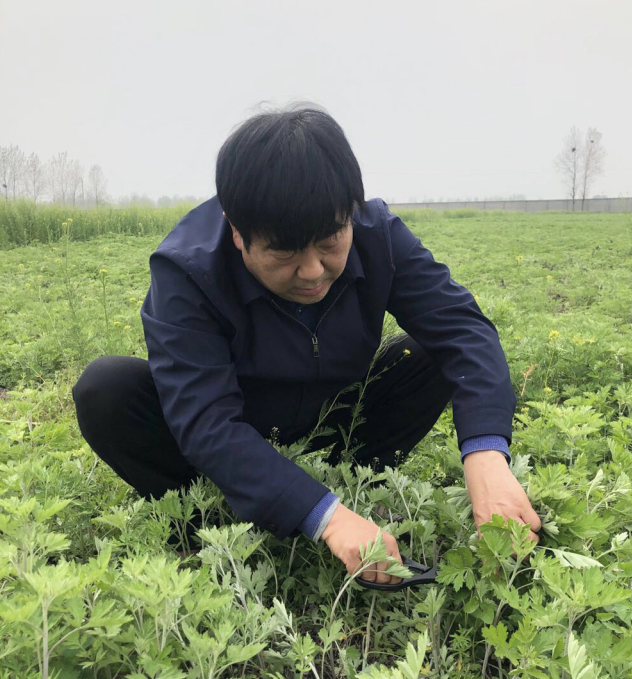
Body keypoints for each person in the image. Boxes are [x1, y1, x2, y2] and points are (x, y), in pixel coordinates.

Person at [71, 105, 541, 587]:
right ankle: (216, 519)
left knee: (428, 356)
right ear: (237, 230)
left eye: (329, 241)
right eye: (284, 252)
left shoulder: (377, 234)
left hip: (337, 422)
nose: (313, 271)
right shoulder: (187, 270)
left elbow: (463, 328)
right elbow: (206, 421)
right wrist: (327, 518)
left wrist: (486, 453)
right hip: (239, 431)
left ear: (349, 212)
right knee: (107, 389)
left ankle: (345, 486)